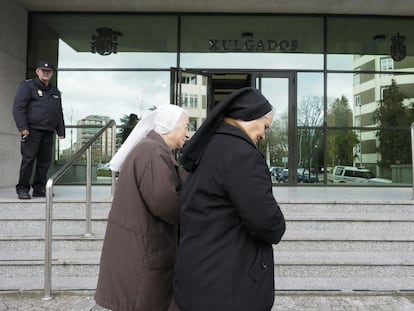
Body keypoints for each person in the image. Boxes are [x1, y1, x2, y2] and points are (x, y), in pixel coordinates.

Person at [174, 87, 286, 311]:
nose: (264, 134)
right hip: (226, 286)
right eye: (265, 126)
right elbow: (267, 223)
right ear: (250, 117)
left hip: (200, 276)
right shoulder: (241, 154)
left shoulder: (210, 147)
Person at [94, 104, 190, 311]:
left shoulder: (150, 149)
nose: (188, 134)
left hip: (138, 251)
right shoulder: (154, 153)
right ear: (169, 127)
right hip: (144, 255)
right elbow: (168, 205)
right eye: (185, 127)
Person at [12, 61, 65, 199]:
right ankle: (22, 189)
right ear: (37, 71)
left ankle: (39, 189)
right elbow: (18, 108)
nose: (46, 73)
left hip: (48, 132)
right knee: (28, 160)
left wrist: (61, 131)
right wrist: (23, 127)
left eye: (49, 71)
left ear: (52, 73)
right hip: (31, 130)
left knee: (44, 162)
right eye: (43, 70)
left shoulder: (55, 92)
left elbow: (58, 112)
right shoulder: (28, 86)